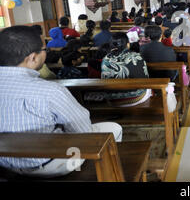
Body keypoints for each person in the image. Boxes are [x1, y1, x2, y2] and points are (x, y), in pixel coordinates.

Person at [0, 26, 122, 178]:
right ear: (32, 58)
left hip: (4, 164)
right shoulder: (50, 90)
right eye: (44, 49)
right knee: (113, 128)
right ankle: (101, 173)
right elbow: (83, 131)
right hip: (48, 165)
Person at [100, 33, 150, 107]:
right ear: (128, 44)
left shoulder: (106, 59)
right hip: (136, 97)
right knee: (149, 88)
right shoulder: (136, 56)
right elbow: (146, 78)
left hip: (112, 99)